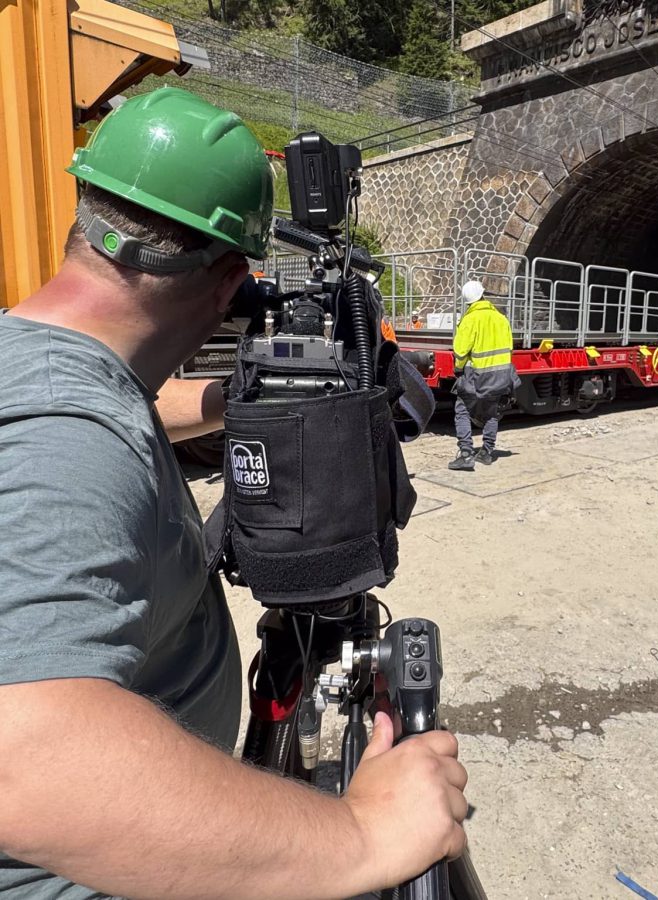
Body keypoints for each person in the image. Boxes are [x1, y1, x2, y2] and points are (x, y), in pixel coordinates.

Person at [0, 87, 468, 899]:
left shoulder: (36, 356)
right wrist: (361, 834)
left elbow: (118, 400)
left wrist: (236, 403)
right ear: (228, 282)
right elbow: (25, 760)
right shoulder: (66, 440)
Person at [448, 280, 520, 470]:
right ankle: (487, 452)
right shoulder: (501, 318)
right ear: (483, 294)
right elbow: (510, 349)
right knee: (491, 412)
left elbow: (461, 352)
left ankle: (465, 454)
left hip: (477, 375)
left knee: (462, 410)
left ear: (467, 301)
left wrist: (458, 368)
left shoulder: (470, 319)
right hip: (502, 375)